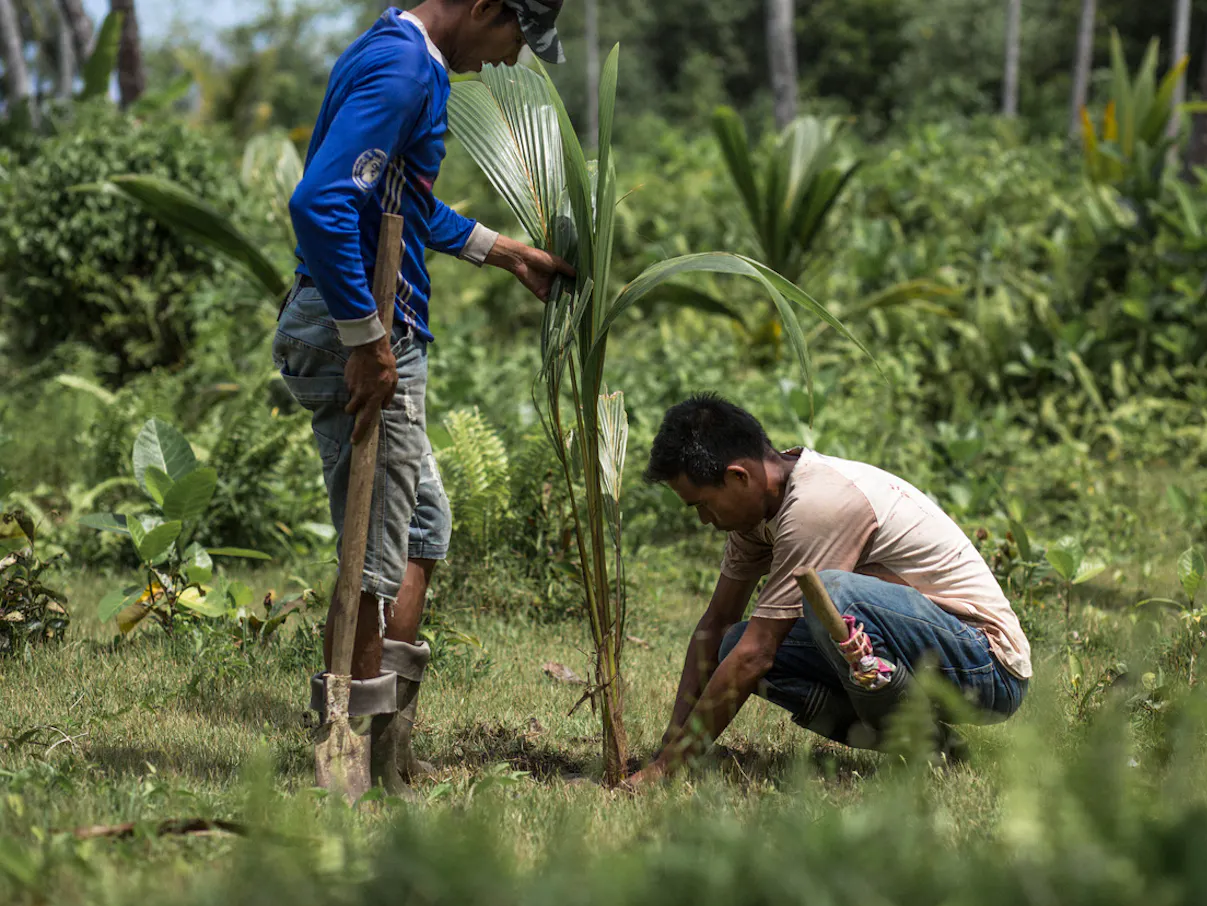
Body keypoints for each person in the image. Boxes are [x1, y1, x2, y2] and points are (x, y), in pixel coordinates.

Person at [275, 0, 572, 794]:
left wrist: (501, 251)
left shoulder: (410, 58)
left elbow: (397, 202)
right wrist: (367, 341)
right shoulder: (404, 67)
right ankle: (350, 756)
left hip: (376, 323)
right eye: (516, 36)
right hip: (363, 327)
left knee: (421, 527)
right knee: (376, 550)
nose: (512, 60)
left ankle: (389, 741)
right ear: (484, 7)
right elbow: (321, 203)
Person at [627, 394, 1032, 787]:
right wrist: (673, 741)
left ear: (738, 476)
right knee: (732, 642)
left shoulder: (818, 505)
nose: (702, 520)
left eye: (703, 504)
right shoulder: (758, 514)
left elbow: (757, 654)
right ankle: (936, 748)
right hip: (931, 655)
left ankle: (919, 740)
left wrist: (666, 769)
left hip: (987, 667)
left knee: (832, 595)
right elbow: (717, 623)